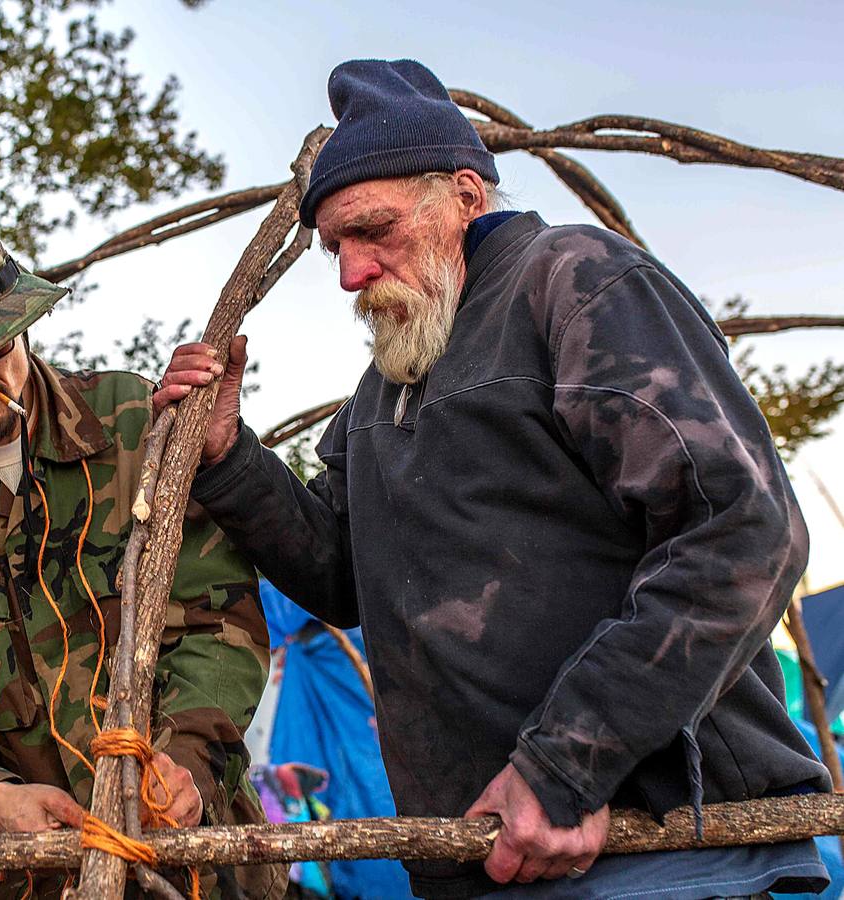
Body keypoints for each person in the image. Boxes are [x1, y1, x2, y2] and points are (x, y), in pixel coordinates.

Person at [155, 59, 832, 899]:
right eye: (335, 247)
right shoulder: (391, 377)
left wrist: (567, 766)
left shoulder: (576, 282)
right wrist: (231, 457)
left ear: (467, 195)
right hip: (485, 864)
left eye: (374, 230)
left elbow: (744, 532)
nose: (350, 273)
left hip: (650, 856)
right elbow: (344, 575)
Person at [0, 206, 283, 899]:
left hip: (190, 864)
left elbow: (222, 621)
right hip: (6, 879)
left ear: (22, 322)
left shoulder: (133, 425)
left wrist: (183, 758)